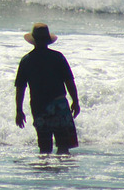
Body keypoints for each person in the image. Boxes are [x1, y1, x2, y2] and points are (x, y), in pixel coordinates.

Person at [15, 23, 81, 155]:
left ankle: (45, 173)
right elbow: (69, 81)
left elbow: (20, 88)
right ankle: (61, 172)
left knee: (44, 148)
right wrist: (75, 101)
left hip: (39, 107)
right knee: (63, 147)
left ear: (34, 40)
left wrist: (19, 111)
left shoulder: (27, 60)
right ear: (47, 40)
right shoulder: (57, 57)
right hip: (59, 106)